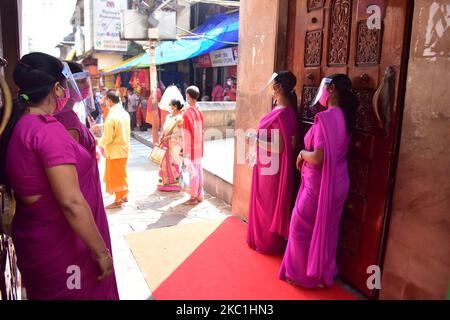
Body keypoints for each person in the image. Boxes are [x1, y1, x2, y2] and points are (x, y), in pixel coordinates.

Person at [0, 52, 118, 299]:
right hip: (65, 250)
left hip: (38, 243)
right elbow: (71, 203)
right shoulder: (46, 130)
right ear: (57, 88)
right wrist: (101, 253)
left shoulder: (20, 123)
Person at [279, 74, 357, 288]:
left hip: (319, 185)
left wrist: (303, 153)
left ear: (331, 89)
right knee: (328, 230)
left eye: (324, 87)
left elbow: (319, 157)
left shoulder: (326, 118)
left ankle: (302, 276)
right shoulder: (345, 117)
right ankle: (322, 275)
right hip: (339, 182)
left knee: (299, 226)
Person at [246, 71, 299, 254]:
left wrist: (254, 140)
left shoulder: (282, 114)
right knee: (266, 203)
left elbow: (279, 147)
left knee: (267, 205)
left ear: (279, 88)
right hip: (267, 166)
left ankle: (268, 242)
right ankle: (266, 240)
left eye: (273, 84)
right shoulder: (285, 111)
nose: (270, 88)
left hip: (272, 169)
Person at [97, 90, 131, 209]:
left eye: (106, 99)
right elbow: (119, 127)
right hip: (124, 149)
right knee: (121, 173)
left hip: (115, 151)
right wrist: (102, 126)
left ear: (110, 101)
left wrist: (98, 141)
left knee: (116, 176)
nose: (105, 102)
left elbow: (108, 138)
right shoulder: (123, 113)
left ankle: (118, 200)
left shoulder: (111, 116)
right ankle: (124, 195)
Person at [182, 85, 204, 205]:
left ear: (188, 96)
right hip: (199, 146)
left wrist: (185, 150)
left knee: (193, 172)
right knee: (199, 171)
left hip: (191, 147)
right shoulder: (199, 111)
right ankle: (199, 195)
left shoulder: (187, 114)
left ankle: (193, 197)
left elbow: (186, 134)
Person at [157, 99, 184, 191]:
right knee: (164, 163)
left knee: (173, 162)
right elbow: (164, 129)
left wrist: (168, 137)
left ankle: (175, 185)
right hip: (165, 143)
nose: (170, 108)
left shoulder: (180, 118)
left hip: (174, 144)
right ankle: (164, 184)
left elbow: (180, 133)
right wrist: (162, 136)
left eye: (171, 106)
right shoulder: (168, 117)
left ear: (175, 107)